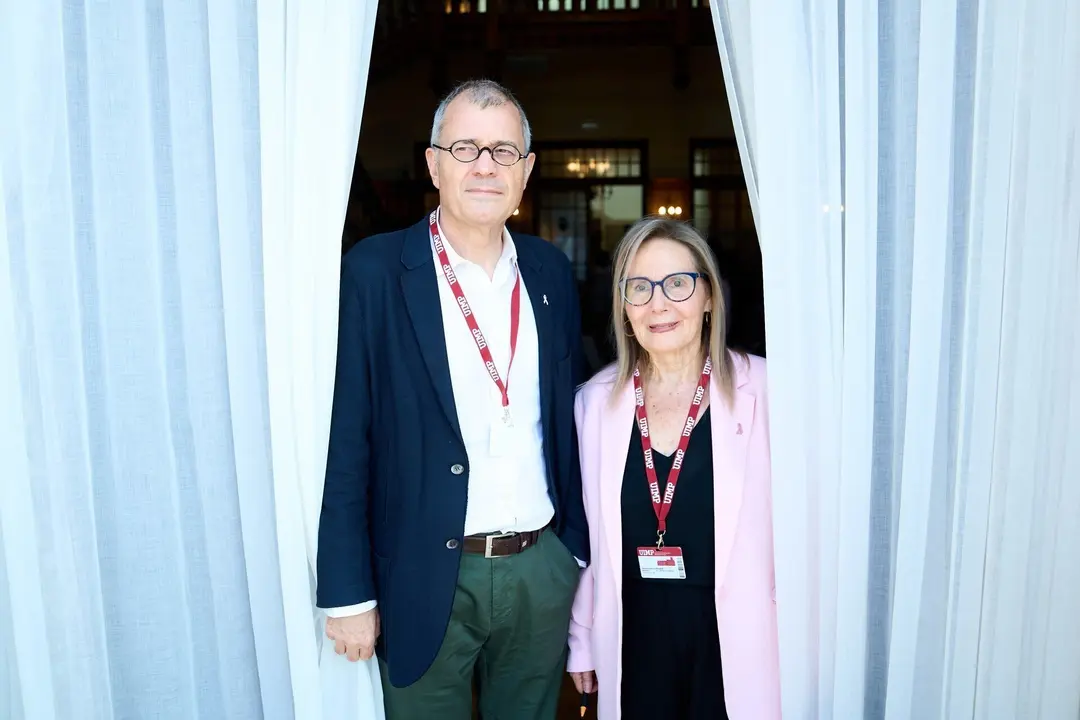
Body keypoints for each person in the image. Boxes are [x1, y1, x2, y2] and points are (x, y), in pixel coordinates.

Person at [316, 79, 589, 720]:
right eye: (466, 147)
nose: (485, 165)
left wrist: (569, 552)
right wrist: (347, 592)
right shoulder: (375, 271)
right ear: (434, 164)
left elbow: (564, 416)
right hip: (420, 569)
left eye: (502, 151)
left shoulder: (548, 271)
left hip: (537, 565)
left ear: (526, 171)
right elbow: (346, 434)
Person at [565, 217, 780, 719]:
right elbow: (587, 536)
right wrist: (582, 638)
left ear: (709, 297)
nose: (658, 304)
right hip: (634, 636)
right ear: (623, 305)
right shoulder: (595, 403)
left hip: (738, 637)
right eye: (639, 288)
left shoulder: (767, 391)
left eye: (678, 284)